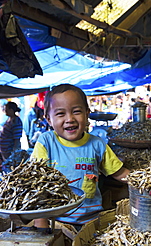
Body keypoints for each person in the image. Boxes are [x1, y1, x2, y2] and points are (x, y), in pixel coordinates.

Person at [31, 84, 130, 230]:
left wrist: (145, 180)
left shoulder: (97, 144)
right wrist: (40, 222)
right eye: (60, 114)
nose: (70, 119)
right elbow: (36, 183)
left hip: (92, 221)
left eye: (76, 111)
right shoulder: (47, 142)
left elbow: (119, 173)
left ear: (87, 113)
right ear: (49, 119)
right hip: (57, 221)